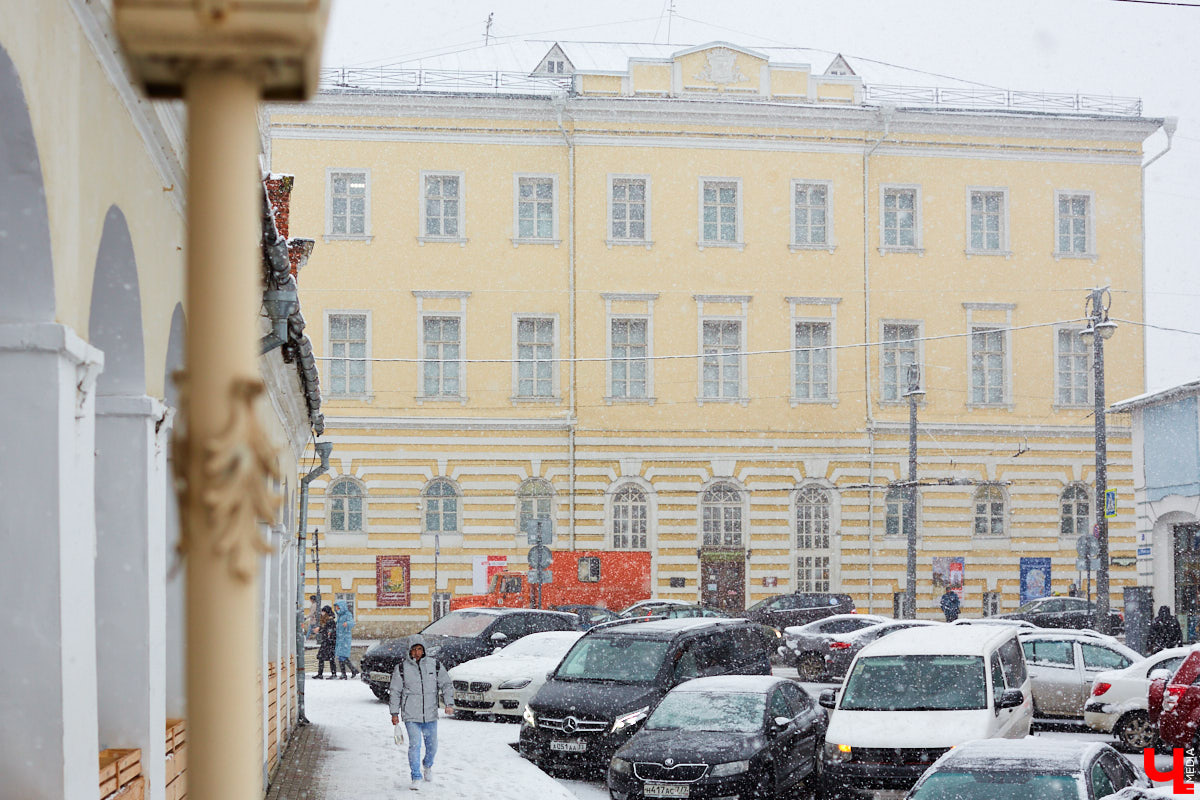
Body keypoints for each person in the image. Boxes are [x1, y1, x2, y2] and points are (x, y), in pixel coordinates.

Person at [389, 635, 453, 788]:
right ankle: (416, 776)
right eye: (414, 649)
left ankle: (427, 765)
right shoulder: (402, 668)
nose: (417, 653)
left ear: (424, 650)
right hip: (411, 714)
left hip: (430, 714)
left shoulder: (435, 665)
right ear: (409, 651)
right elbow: (395, 691)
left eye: (419, 649)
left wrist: (449, 703)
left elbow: (446, 684)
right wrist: (394, 713)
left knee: (432, 746)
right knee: (415, 745)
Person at [334, 598, 359, 679]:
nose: (337, 609)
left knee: (342, 656)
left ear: (342, 607)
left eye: (338, 607)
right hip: (340, 638)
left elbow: (352, 622)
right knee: (341, 656)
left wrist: (347, 623)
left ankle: (346, 673)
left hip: (345, 638)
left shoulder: (347, 614)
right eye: (336, 607)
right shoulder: (339, 616)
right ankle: (351, 671)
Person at [314, 605, 336, 679]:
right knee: (322, 658)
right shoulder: (327, 620)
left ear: (327, 612)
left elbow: (329, 631)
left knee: (330, 658)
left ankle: (333, 674)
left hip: (329, 642)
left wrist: (320, 629)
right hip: (326, 641)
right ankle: (320, 674)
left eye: (323, 611)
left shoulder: (330, 621)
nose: (322, 613)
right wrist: (320, 629)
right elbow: (325, 629)